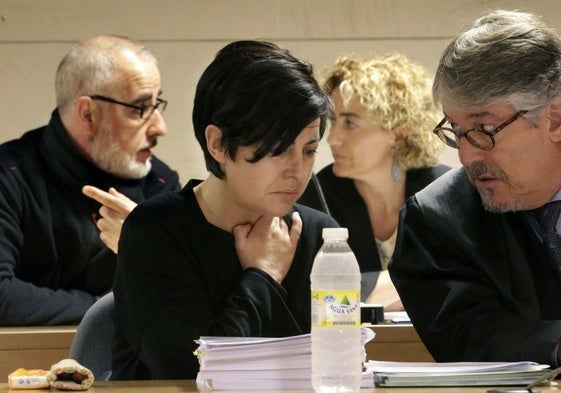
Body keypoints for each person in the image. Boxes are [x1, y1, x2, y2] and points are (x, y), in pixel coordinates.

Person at [110, 40, 335, 380]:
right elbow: (194, 373)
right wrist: (261, 277)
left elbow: (335, 362)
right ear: (217, 143)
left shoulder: (318, 235)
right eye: (278, 149)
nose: (298, 170)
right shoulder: (155, 232)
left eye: (309, 150)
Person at [389, 9, 561, 365]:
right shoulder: (435, 221)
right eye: (455, 129)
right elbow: (470, 337)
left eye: (484, 129)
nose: (467, 157)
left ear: (555, 121)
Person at [0, 35, 180, 326]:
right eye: (140, 109)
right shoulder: (8, 178)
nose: (160, 127)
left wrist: (143, 249)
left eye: (157, 104)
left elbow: (185, 295)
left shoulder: (159, 183)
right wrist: (101, 306)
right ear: (88, 113)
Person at [298, 53, 449, 308]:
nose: (333, 139)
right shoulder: (318, 194)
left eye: (350, 123)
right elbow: (320, 293)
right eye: (334, 122)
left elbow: (461, 281)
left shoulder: (441, 190)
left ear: (398, 131)